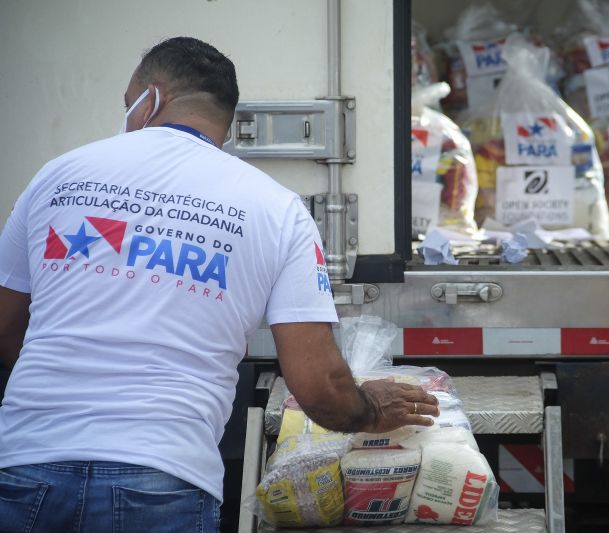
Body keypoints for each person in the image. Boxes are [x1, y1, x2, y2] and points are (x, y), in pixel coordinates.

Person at [0, 36, 438, 532]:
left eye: (128, 103)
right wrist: (369, 410)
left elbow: (5, 325)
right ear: (224, 121)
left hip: (24, 464)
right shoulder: (276, 209)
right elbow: (318, 386)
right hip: (164, 479)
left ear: (151, 98)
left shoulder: (57, 177)